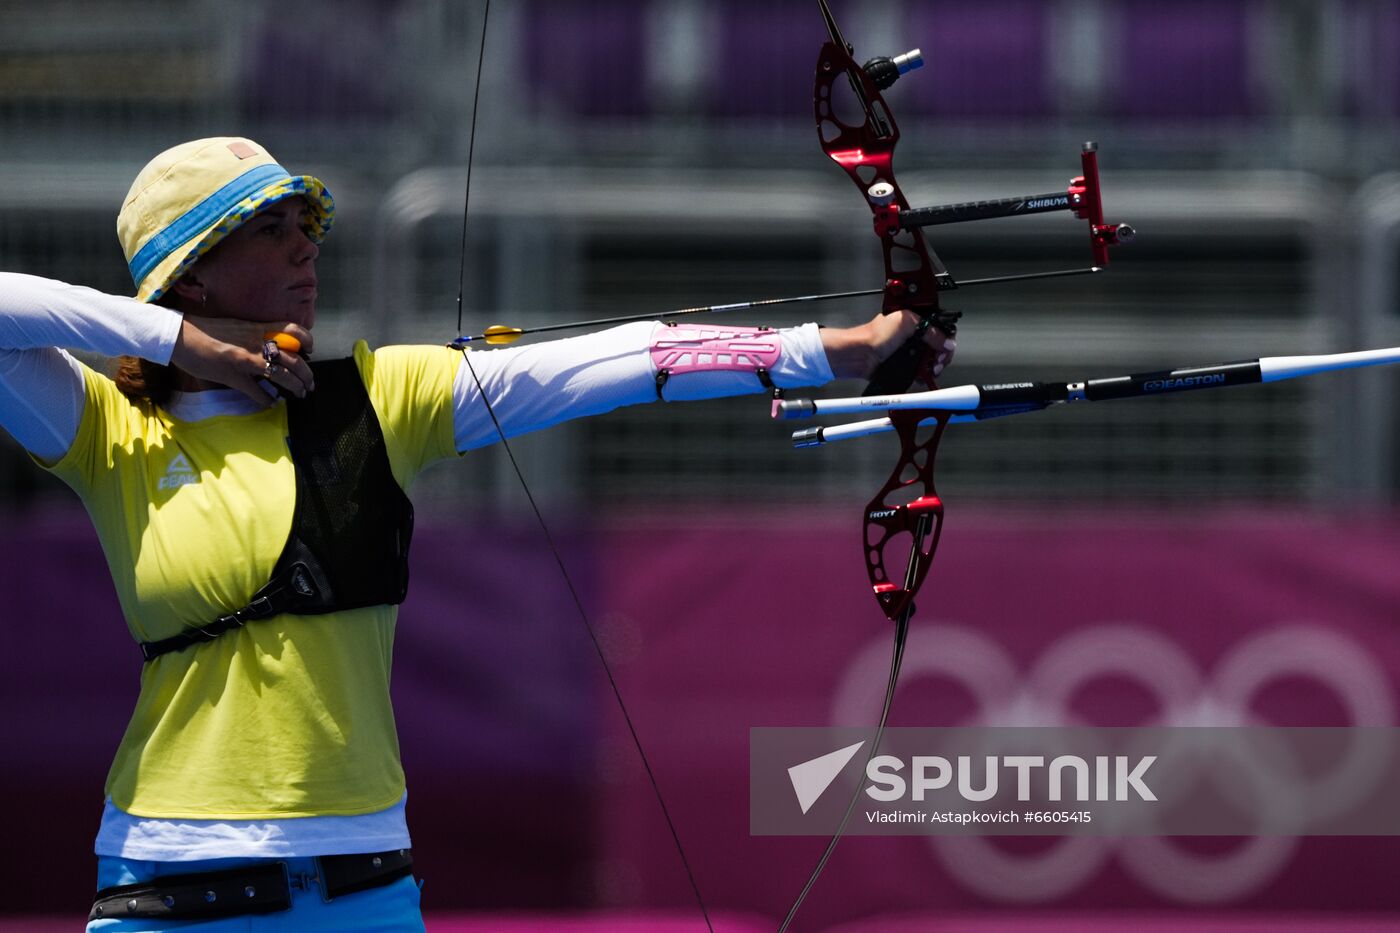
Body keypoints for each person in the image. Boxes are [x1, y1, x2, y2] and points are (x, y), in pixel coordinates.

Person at [0, 137, 954, 931]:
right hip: (170, 884)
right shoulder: (110, 432)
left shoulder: (378, 397)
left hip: (366, 886)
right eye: (268, 228)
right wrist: (176, 344)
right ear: (190, 272)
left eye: (307, 227)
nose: (305, 251)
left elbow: (617, 361)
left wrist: (844, 351)